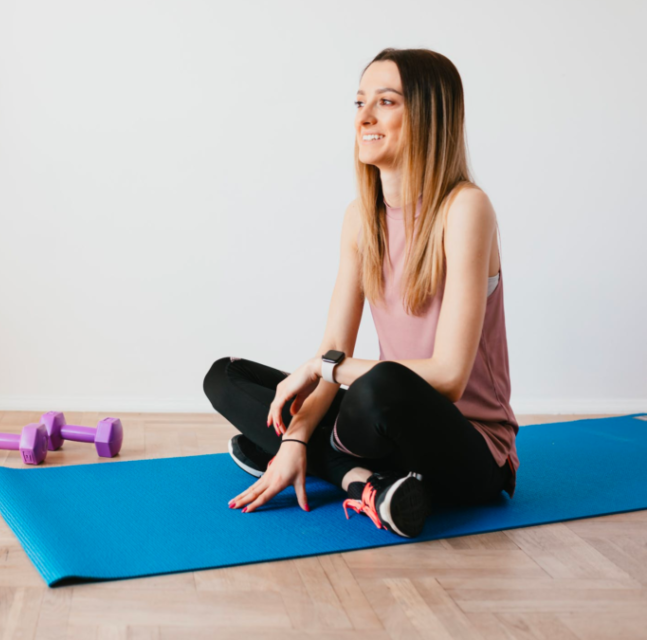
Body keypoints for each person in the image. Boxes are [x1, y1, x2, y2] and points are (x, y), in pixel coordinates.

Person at [202, 48, 519, 539]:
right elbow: (335, 351)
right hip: (383, 431)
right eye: (359, 102)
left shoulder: (466, 209)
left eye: (386, 102)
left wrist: (321, 370)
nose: (365, 118)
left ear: (428, 115)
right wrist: (296, 439)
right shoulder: (359, 217)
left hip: (470, 451)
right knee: (225, 378)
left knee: (376, 388)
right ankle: (360, 482)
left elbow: (450, 378)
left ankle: (337, 467)